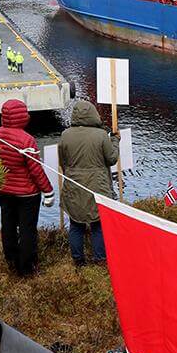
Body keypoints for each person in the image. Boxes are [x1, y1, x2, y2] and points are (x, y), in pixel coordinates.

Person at [0, 99, 54, 277]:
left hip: (4, 190)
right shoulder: (27, 140)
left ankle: (10, 259)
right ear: (22, 116)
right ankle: (27, 267)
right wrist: (48, 191)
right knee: (27, 230)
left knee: (7, 226)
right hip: (27, 194)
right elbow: (36, 170)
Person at [58, 99, 119, 265]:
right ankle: (100, 259)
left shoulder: (65, 135)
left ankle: (78, 261)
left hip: (74, 185)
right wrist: (115, 140)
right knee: (98, 225)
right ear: (93, 114)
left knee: (76, 225)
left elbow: (62, 162)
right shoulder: (100, 135)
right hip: (97, 186)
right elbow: (112, 159)